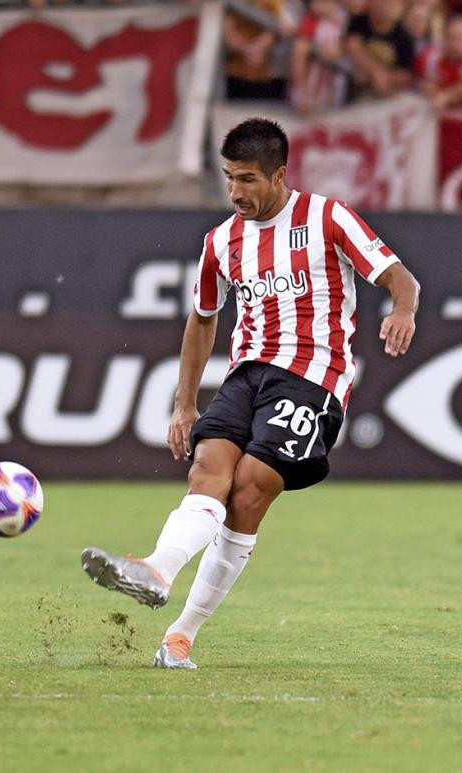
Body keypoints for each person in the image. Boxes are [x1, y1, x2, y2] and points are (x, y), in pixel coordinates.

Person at [81, 119, 420, 669]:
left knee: (250, 488)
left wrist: (402, 309)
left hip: (313, 375)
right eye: (228, 178)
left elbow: (399, 277)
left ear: (279, 175)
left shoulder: (328, 218)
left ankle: (181, 634)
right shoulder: (220, 241)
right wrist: (184, 403)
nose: (236, 192)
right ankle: (156, 569)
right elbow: (203, 319)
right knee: (208, 471)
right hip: (246, 374)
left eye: (247, 179)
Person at [345, 0, 417, 98]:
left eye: (389, 4)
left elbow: (406, 75)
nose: (381, 6)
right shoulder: (358, 20)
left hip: (385, 95)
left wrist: (384, 76)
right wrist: (375, 72)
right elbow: (352, 46)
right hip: (352, 90)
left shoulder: (405, 38)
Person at [418, 12, 462, 109]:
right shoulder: (434, 56)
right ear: (444, 38)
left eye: (459, 38)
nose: (454, 43)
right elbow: (427, 88)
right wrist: (457, 92)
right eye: (450, 37)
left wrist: (446, 96)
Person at [290, 0, 350, 112]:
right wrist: (301, 91)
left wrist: (340, 49)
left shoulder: (343, 17)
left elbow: (348, 41)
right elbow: (299, 53)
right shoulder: (310, 20)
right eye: (316, 2)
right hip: (313, 79)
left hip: (334, 79)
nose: (320, 7)